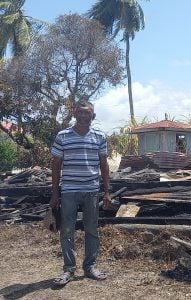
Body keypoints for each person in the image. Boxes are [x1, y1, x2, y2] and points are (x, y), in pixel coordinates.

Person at [50, 100, 111, 286]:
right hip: (69, 190)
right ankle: (69, 269)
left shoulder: (99, 136)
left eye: (88, 113)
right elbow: (56, 165)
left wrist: (107, 191)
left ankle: (90, 266)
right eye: (81, 112)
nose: (84, 116)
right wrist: (55, 193)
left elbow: (104, 164)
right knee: (67, 230)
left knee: (91, 229)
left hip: (91, 190)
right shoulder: (63, 136)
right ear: (75, 113)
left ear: (93, 115)